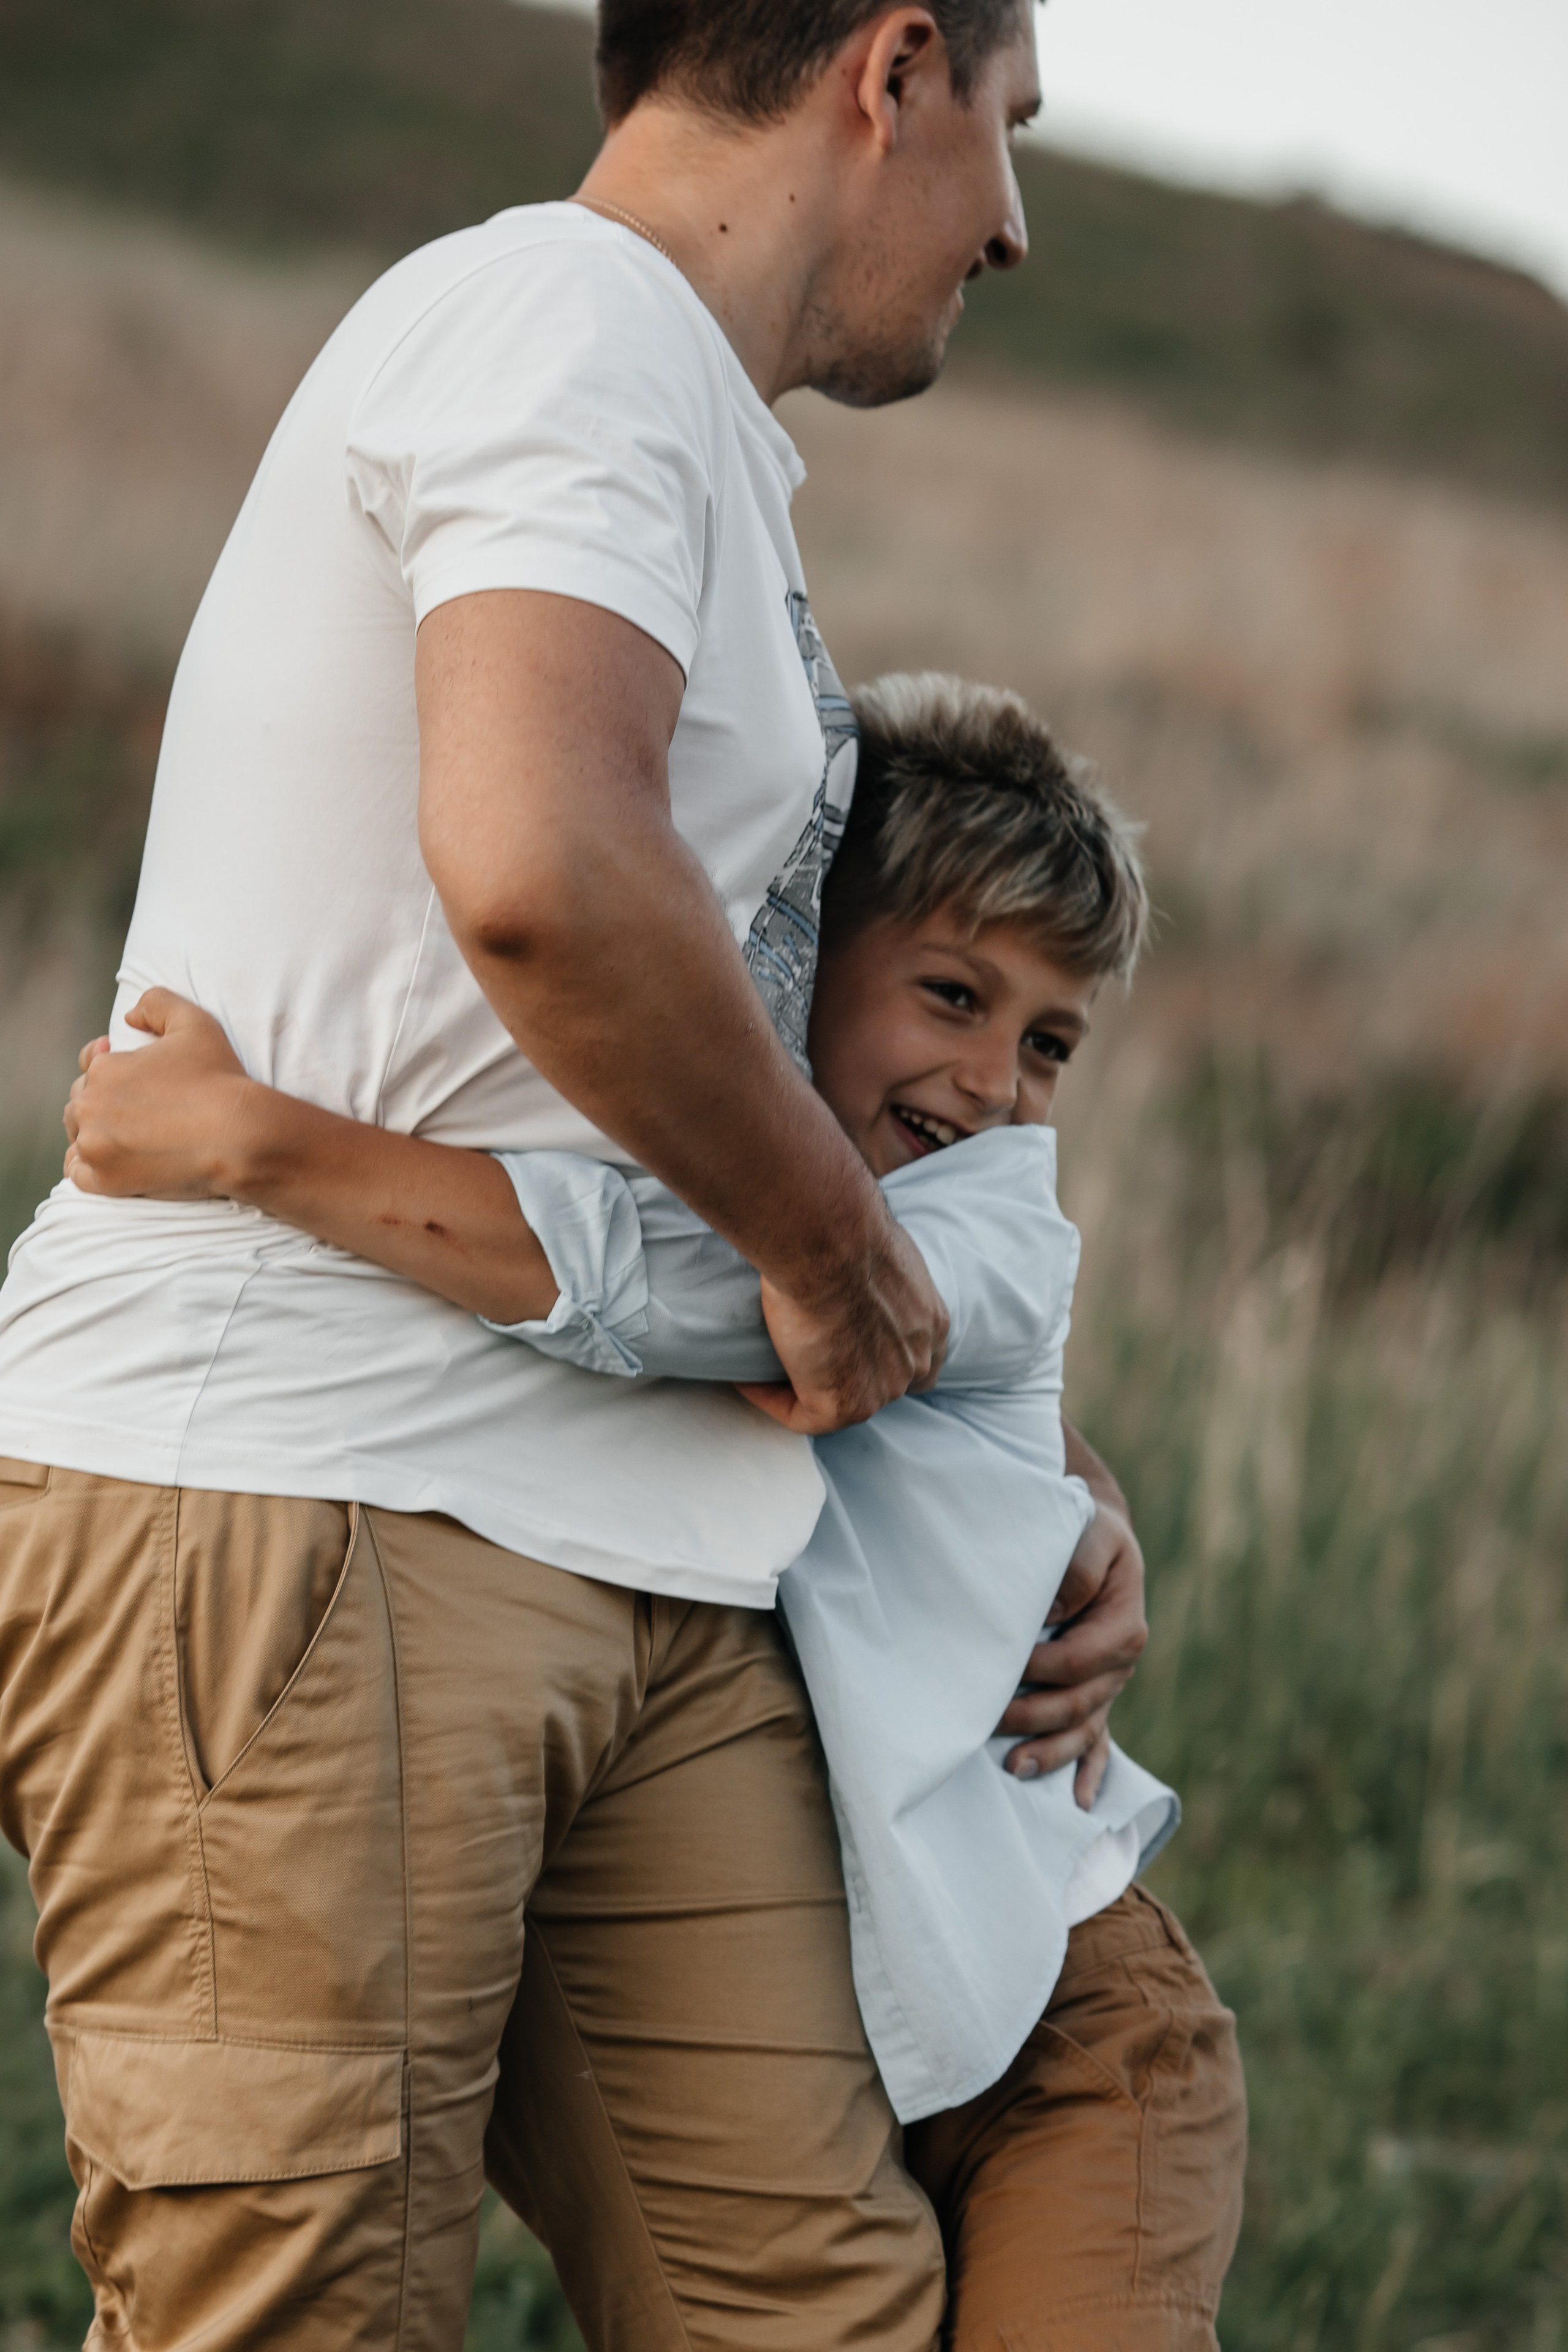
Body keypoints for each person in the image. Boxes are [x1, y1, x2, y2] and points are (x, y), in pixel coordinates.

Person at [0, 4, 1150, 2345]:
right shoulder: (567, 320)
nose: (1013, 224)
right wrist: (840, 1266)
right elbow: (540, 861)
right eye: (1007, 134)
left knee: (809, 2313)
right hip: (324, 1498)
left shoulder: (691, 439)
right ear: (891, 66)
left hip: (645, 1552)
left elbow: (683, 1086)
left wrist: (1002, 1450)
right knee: (297, 2313)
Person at [62, 673, 1249, 2350]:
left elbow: (685, 1295)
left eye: (1047, 1041)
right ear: (786, 962)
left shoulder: (969, 1232)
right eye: (952, 997)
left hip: (1068, 2035)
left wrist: (251, 1138)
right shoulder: (692, 1158)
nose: (993, 1083)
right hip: (859, 1994)